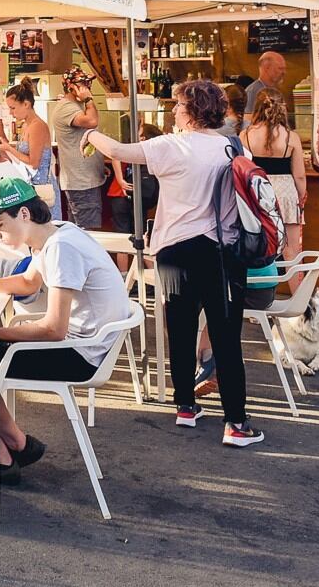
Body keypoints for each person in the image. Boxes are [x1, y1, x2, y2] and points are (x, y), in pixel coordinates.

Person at [85, 79, 263, 447]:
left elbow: (118, 149)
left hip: (173, 250)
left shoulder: (171, 145)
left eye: (178, 106)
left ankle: (185, 405)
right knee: (226, 336)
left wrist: (91, 133)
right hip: (221, 249)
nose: (173, 112)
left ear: (191, 111)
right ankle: (236, 423)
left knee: (178, 329)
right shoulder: (233, 146)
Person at [0, 175, 128, 482]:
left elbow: (53, 329)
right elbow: (30, 282)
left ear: (24, 214)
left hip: (80, 353)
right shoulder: (57, 233)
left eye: (0, 225)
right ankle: (14, 447)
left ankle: (3, 458)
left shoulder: (62, 248)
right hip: (81, 342)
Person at [243, 90, 307, 265]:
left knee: (257, 245)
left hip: (257, 193)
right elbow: (299, 175)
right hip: (285, 192)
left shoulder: (245, 135)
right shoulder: (291, 137)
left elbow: (241, 168)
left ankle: (258, 290)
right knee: (291, 250)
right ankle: (299, 292)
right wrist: (301, 197)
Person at [48, 67, 106, 228]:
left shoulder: (76, 106)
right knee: (89, 232)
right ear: (71, 87)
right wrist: (88, 99)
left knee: (80, 230)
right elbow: (92, 122)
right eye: (83, 84)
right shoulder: (67, 108)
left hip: (85, 179)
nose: (88, 87)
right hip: (81, 182)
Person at [1, 78, 59, 212]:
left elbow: (34, 162)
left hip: (41, 188)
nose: (11, 112)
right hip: (31, 186)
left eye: (13, 108)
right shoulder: (27, 125)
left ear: (26, 104)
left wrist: (9, 148)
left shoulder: (37, 126)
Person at [243, 51, 288, 122]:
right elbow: (248, 120)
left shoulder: (275, 90)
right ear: (267, 68)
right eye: (280, 68)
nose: (284, 72)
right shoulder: (252, 91)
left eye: (284, 69)